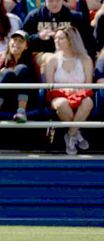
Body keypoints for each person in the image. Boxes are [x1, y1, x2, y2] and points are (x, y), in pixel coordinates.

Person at [44, 25, 94, 156]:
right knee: (61, 104)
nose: (56, 41)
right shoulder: (52, 60)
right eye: (55, 39)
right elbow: (50, 86)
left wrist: (76, 91)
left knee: (88, 102)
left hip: (80, 95)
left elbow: (88, 85)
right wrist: (66, 90)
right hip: (58, 95)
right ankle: (76, 134)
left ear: (71, 40)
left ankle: (70, 135)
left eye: (61, 39)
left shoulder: (86, 60)